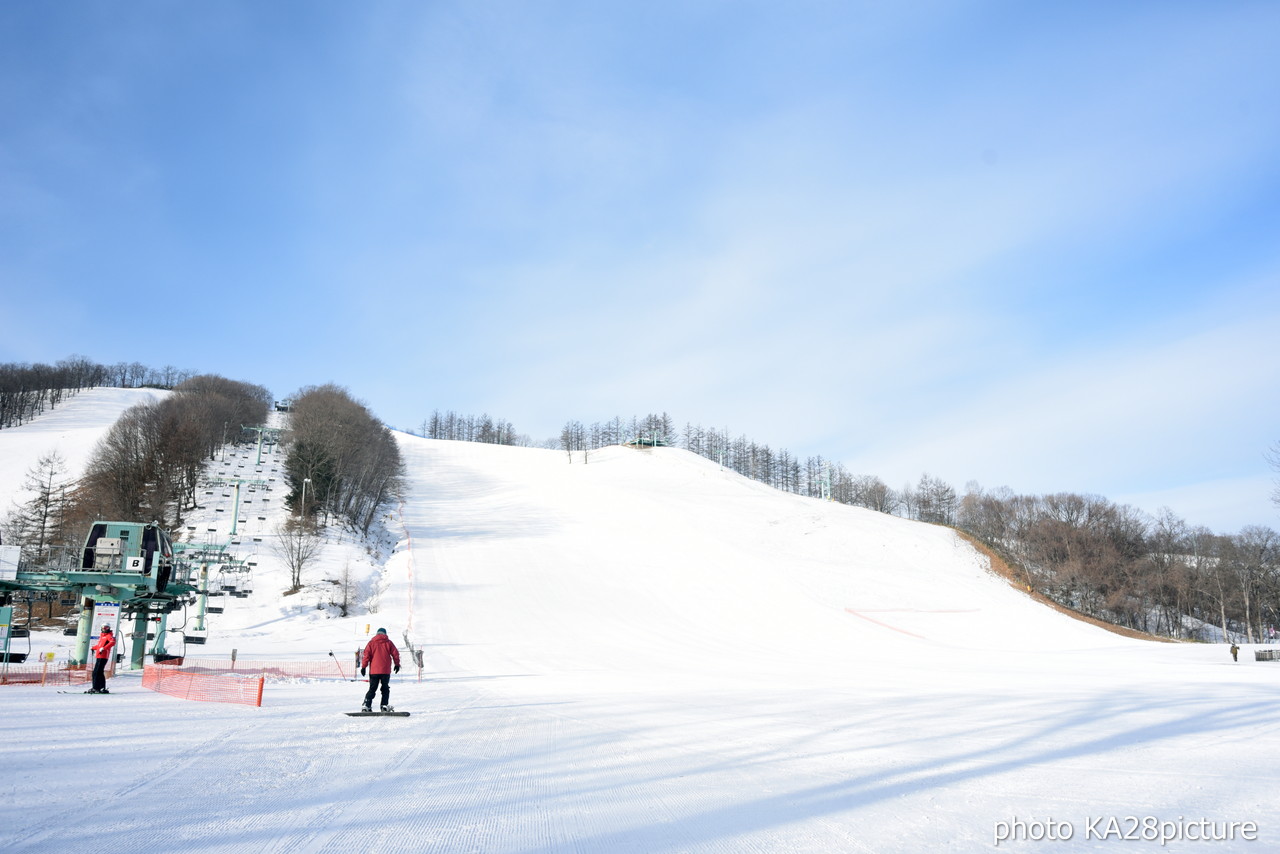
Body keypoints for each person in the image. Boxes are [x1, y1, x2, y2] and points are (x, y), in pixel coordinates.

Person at [360, 628, 401, 712]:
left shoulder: (371, 643)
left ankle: (366, 705)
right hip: (385, 671)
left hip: (374, 671)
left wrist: (364, 667)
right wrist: (397, 664)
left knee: (372, 688)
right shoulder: (388, 642)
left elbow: (366, 655)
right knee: (385, 688)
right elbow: (395, 653)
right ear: (385, 634)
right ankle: (384, 705)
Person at [88, 624, 116, 694]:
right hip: (99, 656)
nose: (105, 629)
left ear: (109, 628)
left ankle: (96, 687)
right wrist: (94, 647)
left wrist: (104, 648)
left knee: (96, 672)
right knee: (99, 672)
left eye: (106, 628)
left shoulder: (109, 636)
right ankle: (101, 687)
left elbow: (112, 642)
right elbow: (100, 646)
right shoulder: (102, 637)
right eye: (103, 628)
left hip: (102, 656)